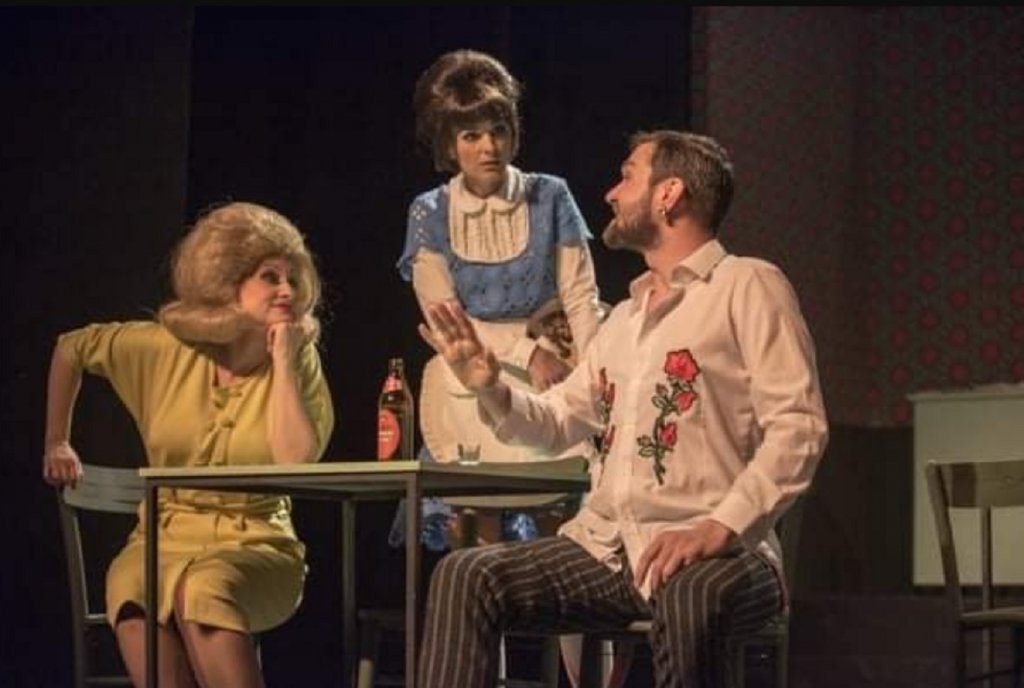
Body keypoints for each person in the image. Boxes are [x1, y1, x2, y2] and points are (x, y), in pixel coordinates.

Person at [416, 130, 829, 688]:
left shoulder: (746, 285)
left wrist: (719, 527)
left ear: (669, 194)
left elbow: (799, 429)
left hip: (727, 554)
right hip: (610, 554)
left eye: (628, 176)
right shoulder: (623, 320)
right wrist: (489, 386)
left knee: (690, 593)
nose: (611, 193)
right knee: (466, 574)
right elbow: (558, 421)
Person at [42, 201, 335, 688]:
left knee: (205, 586)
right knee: (131, 586)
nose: (287, 290)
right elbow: (73, 347)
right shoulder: (164, 349)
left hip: (257, 541)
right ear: (227, 282)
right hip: (162, 537)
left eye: (292, 278)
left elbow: (295, 459)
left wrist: (283, 363)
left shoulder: (296, 360)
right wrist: (57, 441)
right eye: (270, 277)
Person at [391, 48, 603, 547]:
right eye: (471, 136)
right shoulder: (430, 212)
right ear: (449, 144)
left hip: (555, 369)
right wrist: (525, 352)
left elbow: (581, 296)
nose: (489, 147)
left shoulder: (550, 195)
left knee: (560, 520)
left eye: (499, 131)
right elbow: (446, 318)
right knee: (477, 521)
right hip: (475, 368)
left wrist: (596, 374)